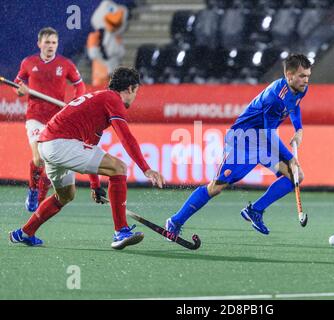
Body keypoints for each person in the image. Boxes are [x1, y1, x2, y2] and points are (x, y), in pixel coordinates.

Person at [9, 67, 165, 250]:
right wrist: (146, 168)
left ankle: (25, 232)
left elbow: (90, 145)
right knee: (119, 168)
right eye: (136, 91)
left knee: (65, 195)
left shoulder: (100, 100)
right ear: (130, 88)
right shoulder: (113, 100)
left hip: (47, 145)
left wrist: (95, 185)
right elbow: (126, 137)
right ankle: (121, 231)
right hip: (60, 143)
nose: (135, 96)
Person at [166, 53, 311, 236]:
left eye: (307, 76)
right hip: (243, 140)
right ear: (289, 76)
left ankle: (255, 210)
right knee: (216, 187)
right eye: (302, 76)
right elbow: (268, 134)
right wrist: (290, 158)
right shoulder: (274, 97)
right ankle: (175, 221)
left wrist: (299, 129)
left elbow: (294, 106)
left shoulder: (301, 88)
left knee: (296, 176)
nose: (306, 80)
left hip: (262, 141)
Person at [14, 27, 86, 212]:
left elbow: (80, 86)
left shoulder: (66, 64)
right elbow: (18, 85)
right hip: (35, 117)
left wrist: (75, 102)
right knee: (38, 159)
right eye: (47, 42)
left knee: (50, 161)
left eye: (54, 43)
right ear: (39, 44)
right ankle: (32, 189)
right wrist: (19, 90)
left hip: (56, 120)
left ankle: (39, 196)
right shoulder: (28, 62)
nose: (50, 46)